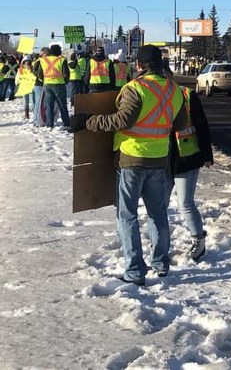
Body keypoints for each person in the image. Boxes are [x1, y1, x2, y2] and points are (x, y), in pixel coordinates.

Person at [70, 45, 188, 286]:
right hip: (159, 158)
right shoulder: (174, 90)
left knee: (128, 215)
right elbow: (180, 123)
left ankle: (134, 271)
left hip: (132, 158)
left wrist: (88, 121)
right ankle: (161, 263)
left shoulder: (136, 88)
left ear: (139, 65)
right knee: (158, 213)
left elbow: (122, 120)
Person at [167, 75, 214, 262]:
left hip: (186, 157)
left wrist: (207, 155)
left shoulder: (187, 95)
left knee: (185, 203)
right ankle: (160, 246)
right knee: (159, 206)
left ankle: (198, 241)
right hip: (160, 158)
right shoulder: (152, 96)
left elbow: (201, 125)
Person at [40, 44, 70, 129]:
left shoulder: (43, 60)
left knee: (49, 105)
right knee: (62, 105)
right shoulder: (62, 60)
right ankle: (66, 123)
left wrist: (45, 80)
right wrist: (65, 82)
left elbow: (39, 74)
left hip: (47, 85)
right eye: (60, 50)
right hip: (59, 85)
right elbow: (66, 74)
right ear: (57, 51)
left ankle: (50, 124)